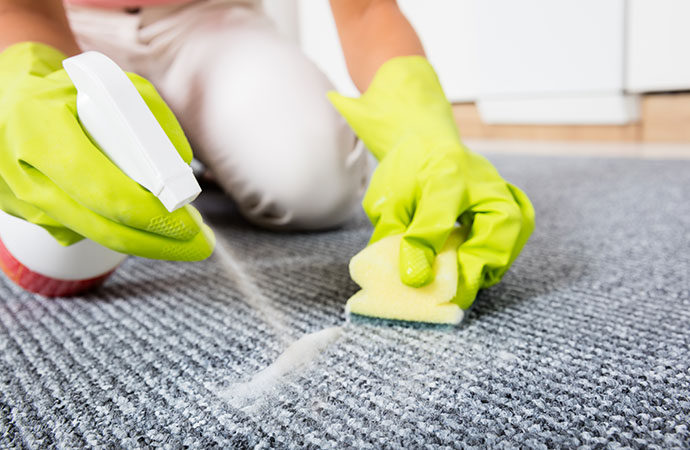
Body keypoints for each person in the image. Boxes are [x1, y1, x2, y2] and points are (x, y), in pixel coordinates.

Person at [0, 0, 534, 308]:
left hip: (206, 18)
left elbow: (366, 9)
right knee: (62, 249)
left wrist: (426, 131)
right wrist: (24, 76)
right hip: (54, 22)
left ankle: (202, 153)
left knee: (314, 182)